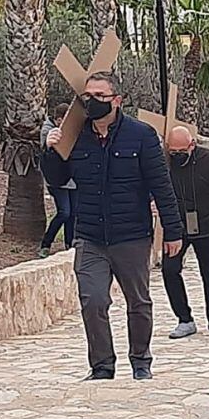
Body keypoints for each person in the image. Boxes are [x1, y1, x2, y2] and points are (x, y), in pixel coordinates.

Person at [42, 72, 183, 381]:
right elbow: (56, 178)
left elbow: (161, 185)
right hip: (90, 235)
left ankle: (140, 360)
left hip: (131, 234)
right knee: (92, 301)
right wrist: (51, 150)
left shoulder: (141, 135)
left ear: (116, 101)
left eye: (99, 97)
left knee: (138, 301)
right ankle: (102, 365)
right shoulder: (76, 135)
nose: (91, 102)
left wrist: (173, 231)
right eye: (86, 96)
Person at [162, 126, 209, 338]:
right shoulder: (164, 162)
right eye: (172, 152)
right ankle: (184, 319)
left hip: (205, 223)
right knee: (169, 269)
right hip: (176, 225)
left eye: (181, 151)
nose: (176, 156)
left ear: (192, 145)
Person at [39, 103, 77, 258]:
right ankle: (46, 244)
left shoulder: (71, 130)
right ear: (59, 119)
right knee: (64, 212)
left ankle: (70, 244)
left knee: (73, 213)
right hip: (56, 180)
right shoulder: (48, 131)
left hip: (72, 179)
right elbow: (47, 152)